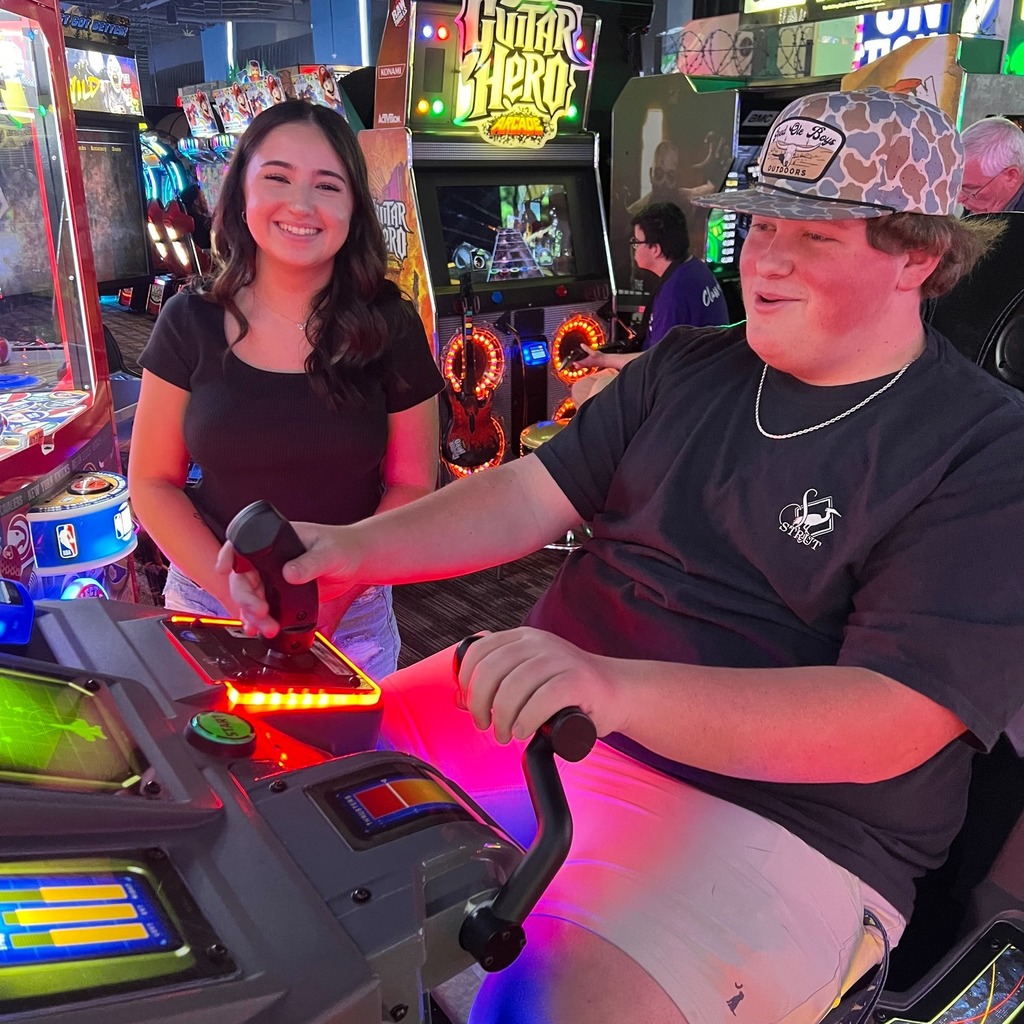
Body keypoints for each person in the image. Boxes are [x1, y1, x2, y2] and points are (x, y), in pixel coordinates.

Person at [220, 88, 1024, 1024]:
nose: (763, 261)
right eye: (761, 225)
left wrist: (615, 688)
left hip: (783, 820)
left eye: (816, 237)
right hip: (549, 708)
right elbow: (527, 493)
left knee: (538, 1009)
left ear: (917, 254)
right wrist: (352, 553)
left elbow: (894, 717)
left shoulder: (985, 449)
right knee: (260, 783)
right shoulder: (691, 364)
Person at [130, 100, 443, 682]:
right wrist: (230, 589)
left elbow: (412, 483)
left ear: (354, 208)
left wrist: (339, 590)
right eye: (277, 177)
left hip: (353, 611)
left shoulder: (390, 325)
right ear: (241, 189)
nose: (301, 205)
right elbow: (151, 482)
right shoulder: (188, 320)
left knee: (346, 768)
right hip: (212, 607)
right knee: (209, 768)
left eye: (327, 185)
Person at [572, 201, 729, 405]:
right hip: (692, 372)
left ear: (655, 249)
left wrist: (601, 359)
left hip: (680, 383)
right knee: (582, 387)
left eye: (636, 242)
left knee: (599, 396)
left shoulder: (675, 293)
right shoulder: (695, 269)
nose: (634, 249)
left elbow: (655, 363)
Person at [959, 115, 1024, 214]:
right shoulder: (978, 208)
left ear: (1011, 176)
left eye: (970, 188)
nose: (958, 199)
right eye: (956, 187)